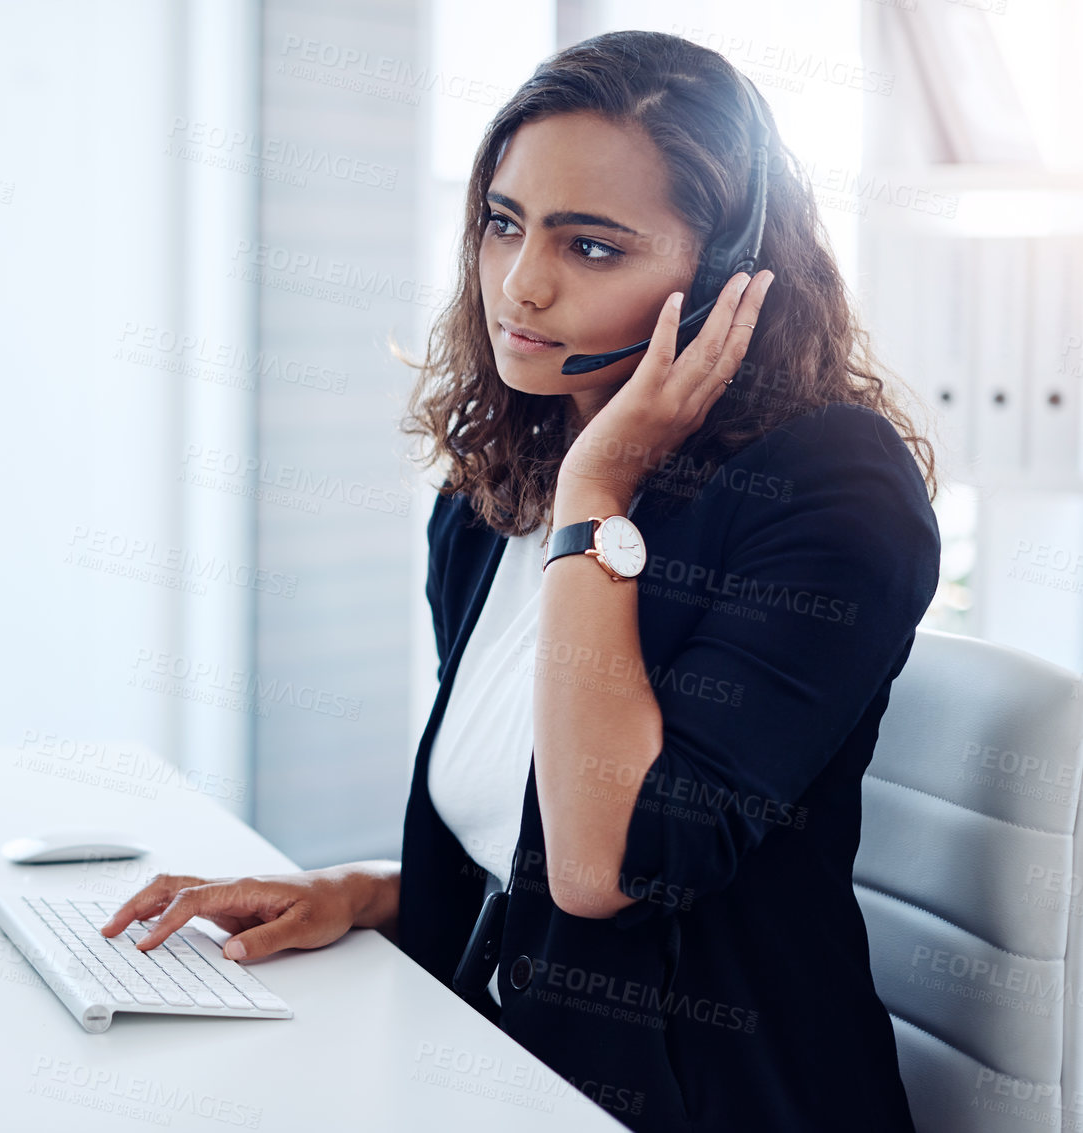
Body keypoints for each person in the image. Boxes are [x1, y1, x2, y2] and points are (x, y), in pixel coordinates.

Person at [100, 28, 940, 1132]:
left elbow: (606, 870)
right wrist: (354, 893)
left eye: (592, 247)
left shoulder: (832, 488)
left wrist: (598, 498)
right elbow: (524, 846)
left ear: (730, 279)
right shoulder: (496, 486)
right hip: (487, 1062)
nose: (523, 285)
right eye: (505, 224)